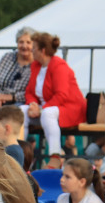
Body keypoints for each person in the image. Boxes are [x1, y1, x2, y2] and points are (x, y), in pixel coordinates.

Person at [23, 32, 87, 167]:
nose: (31, 50)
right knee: (21, 111)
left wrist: (40, 110)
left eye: (33, 47)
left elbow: (61, 95)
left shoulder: (59, 66)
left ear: (42, 50)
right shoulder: (35, 65)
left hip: (70, 108)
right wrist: (32, 104)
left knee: (48, 113)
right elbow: (29, 91)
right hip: (48, 108)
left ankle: (55, 157)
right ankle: (18, 154)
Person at [0, 26, 36, 109]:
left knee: (10, 113)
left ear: (34, 45)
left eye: (28, 42)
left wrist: (10, 97)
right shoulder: (7, 57)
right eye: (21, 42)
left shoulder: (36, 64)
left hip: (19, 102)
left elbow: (33, 91)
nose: (24, 46)